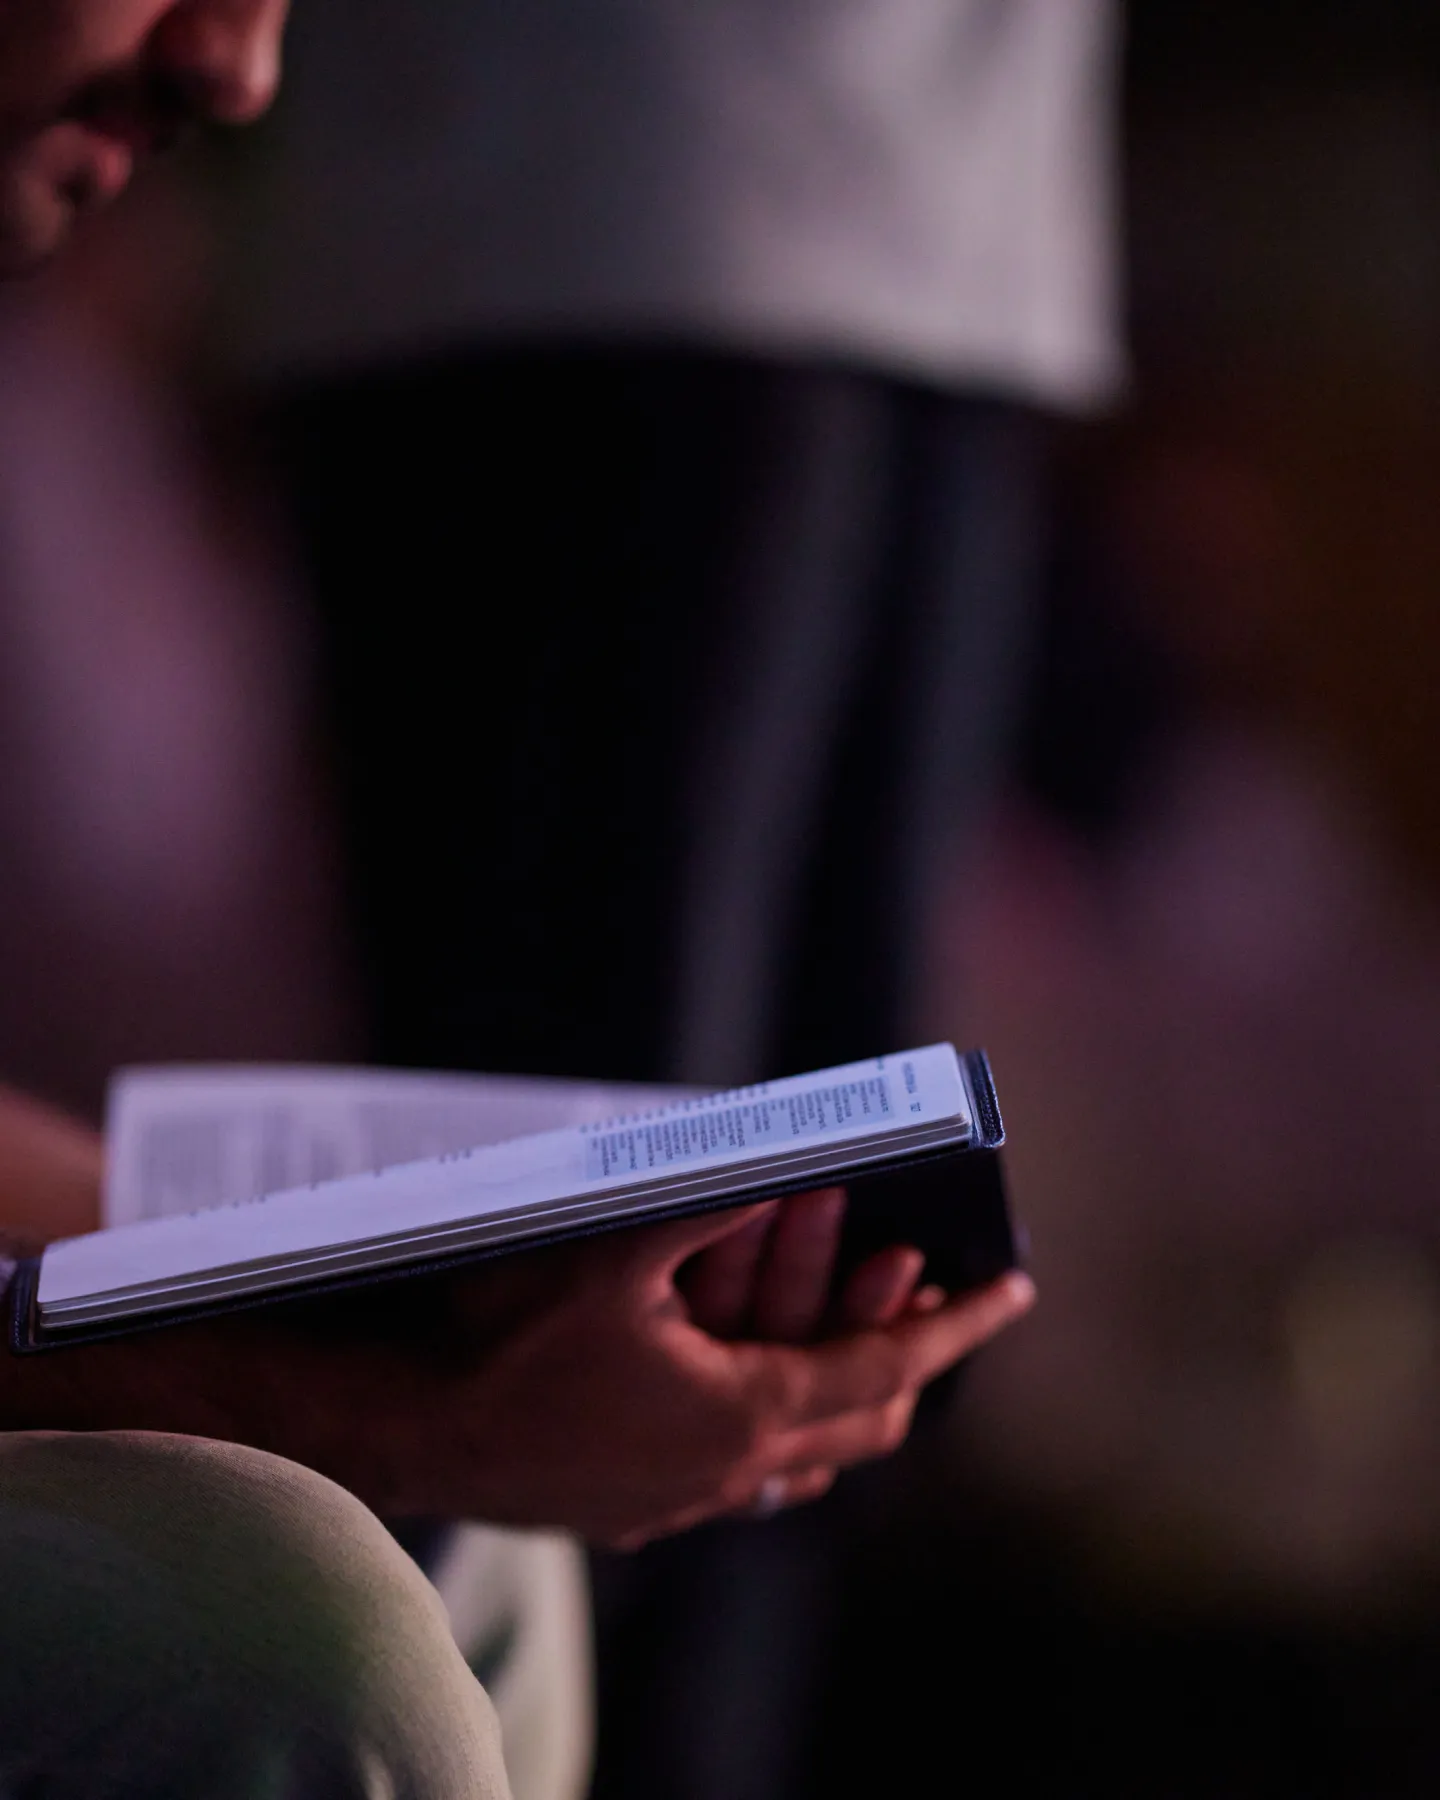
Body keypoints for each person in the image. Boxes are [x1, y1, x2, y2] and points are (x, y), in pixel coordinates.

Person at [0, 6, 1036, 1795]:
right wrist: (402, 1410)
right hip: (643, 206)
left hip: (914, 208)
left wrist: (422, 1288)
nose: (246, 73)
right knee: (286, 1625)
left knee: (492, 1545)